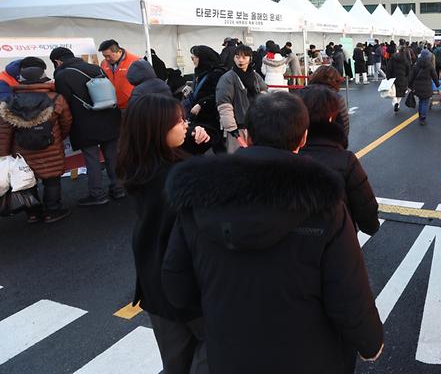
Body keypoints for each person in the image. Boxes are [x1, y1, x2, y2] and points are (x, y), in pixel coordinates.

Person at [162, 92, 384, 374]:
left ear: (246, 136)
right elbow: (348, 291)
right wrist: (369, 342)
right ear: (303, 138)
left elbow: (177, 284)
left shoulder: (198, 198)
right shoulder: (324, 206)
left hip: (230, 354)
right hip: (310, 356)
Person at [116, 94, 208, 374]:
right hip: (186, 284)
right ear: (156, 129)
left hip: (153, 281)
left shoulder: (138, 166)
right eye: (178, 121)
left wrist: (195, 145)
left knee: (175, 360)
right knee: (213, 350)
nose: (186, 125)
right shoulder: (178, 177)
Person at [298, 86, 379, 235]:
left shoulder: (285, 155)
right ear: (331, 117)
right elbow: (367, 213)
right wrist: (371, 226)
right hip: (338, 239)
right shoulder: (345, 161)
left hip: (291, 244)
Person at [0, 57, 72, 223]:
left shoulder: (10, 101)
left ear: (21, 78)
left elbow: (4, 131)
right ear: (43, 76)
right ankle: (52, 210)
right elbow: (66, 121)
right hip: (51, 147)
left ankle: (33, 213)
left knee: (27, 180)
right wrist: (59, 136)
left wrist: (3, 153)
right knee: (52, 179)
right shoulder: (55, 98)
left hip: (22, 150)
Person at [50, 47, 125, 206]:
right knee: (112, 155)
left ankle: (97, 194)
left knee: (92, 158)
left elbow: (64, 102)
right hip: (109, 117)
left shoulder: (62, 75)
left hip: (84, 121)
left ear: (57, 61)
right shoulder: (96, 68)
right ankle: (119, 188)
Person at [216, 45, 267, 153]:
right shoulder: (228, 78)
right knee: (237, 157)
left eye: (244, 57)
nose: (240, 60)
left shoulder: (256, 77)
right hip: (237, 128)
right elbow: (224, 104)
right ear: (233, 58)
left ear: (250, 58)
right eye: (237, 57)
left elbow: (264, 95)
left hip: (255, 125)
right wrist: (231, 128)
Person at [186, 45, 228, 154]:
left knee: (215, 146)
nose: (192, 60)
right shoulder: (200, 72)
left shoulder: (217, 73)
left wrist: (201, 104)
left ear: (203, 58)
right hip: (201, 117)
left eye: (194, 57)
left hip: (212, 117)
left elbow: (219, 95)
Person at [307, 65, 349, 145]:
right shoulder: (336, 98)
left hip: (304, 143)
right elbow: (344, 126)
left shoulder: (301, 94)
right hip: (330, 143)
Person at [99, 39, 140, 110]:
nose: (107, 59)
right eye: (104, 56)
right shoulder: (104, 63)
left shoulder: (136, 62)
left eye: (109, 56)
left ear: (119, 51)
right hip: (111, 106)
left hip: (131, 106)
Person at [408, 49, 439, 126]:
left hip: (418, 87)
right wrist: (437, 84)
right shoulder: (429, 65)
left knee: (421, 101)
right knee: (425, 102)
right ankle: (423, 118)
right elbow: (434, 76)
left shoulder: (416, 64)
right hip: (427, 86)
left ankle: (420, 115)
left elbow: (412, 76)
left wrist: (410, 85)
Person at [386, 45, 411, 113]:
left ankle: (395, 103)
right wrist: (407, 77)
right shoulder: (405, 59)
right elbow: (408, 69)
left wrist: (388, 76)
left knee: (393, 92)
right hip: (402, 77)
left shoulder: (393, 57)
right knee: (400, 92)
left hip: (393, 77)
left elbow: (389, 67)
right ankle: (398, 104)